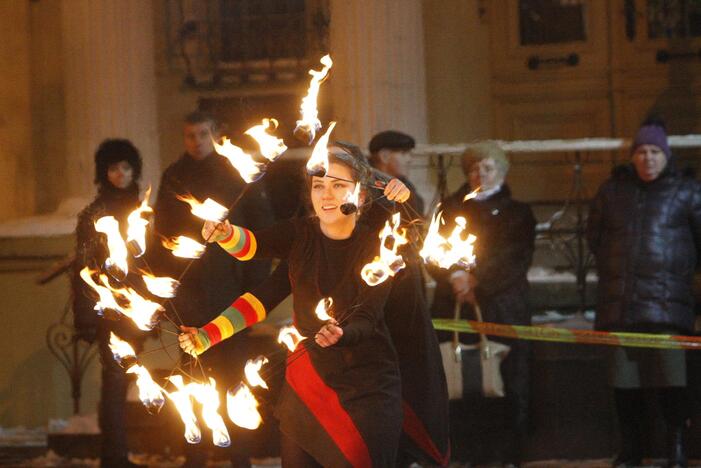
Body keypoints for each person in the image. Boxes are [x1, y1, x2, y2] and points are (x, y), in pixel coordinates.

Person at [179, 149, 410, 466]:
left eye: (338, 185)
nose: (326, 195)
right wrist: (208, 334)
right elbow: (256, 264)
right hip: (306, 390)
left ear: (359, 191)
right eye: (318, 186)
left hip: (366, 390)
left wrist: (342, 333)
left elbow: (368, 317)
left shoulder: (378, 244)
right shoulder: (300, 234)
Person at [152, 111, 276, 467]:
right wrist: (167, 285)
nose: (196, 142)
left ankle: (240, 456)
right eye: (190, 135)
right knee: (193, 373)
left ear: (214, 134)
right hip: (190, 291)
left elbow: (260, 229)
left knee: (234, 375)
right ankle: (194, 454)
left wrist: (254, 285)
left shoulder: (236, 174)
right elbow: (160, 230)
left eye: (203, 134)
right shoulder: (175, 177)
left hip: (232, 288)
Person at [587, 120, 699, 468]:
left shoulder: (687, 192)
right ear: (632, 157)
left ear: (665, 156)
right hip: (621, 304)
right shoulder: (612, 191)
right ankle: (632, 449)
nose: (647, 159)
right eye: (641, 152)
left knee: (672, 382)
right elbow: (594, 237)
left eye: (654, 152)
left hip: (668, 305)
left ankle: (676, 448)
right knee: (625, 384)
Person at [431, 141, 536, 467]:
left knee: (507, 384)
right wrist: (456, 277)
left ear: (502, 171)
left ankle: (506, 457)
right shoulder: (447, 209)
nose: (481, 174)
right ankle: (465, 455)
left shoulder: (518, 213)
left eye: (488, 167)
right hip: (455, 307)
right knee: (462, 385)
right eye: (475, 167)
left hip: (503, 308)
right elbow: (431, 252)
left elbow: (515, 258)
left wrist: (478, 281)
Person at [362, 131, 451, 466]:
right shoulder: (393, 189)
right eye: (404, 154)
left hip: (381, 291)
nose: (409, 161)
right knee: (408, 375)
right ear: (384, 156)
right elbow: (414, 238)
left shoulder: (380, 186)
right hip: (396, 292)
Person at [72, 139, 147, 468]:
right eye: (114, 168)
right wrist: (87, 315)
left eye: (126, 168)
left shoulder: (144, 209)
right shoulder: (94, 214)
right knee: (115, 380)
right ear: (104, 173)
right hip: (109, 308)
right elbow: (83, 268)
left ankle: (118, 452)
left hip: (140, 306)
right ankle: (114, 455)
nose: (121, 174)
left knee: (129, 378)